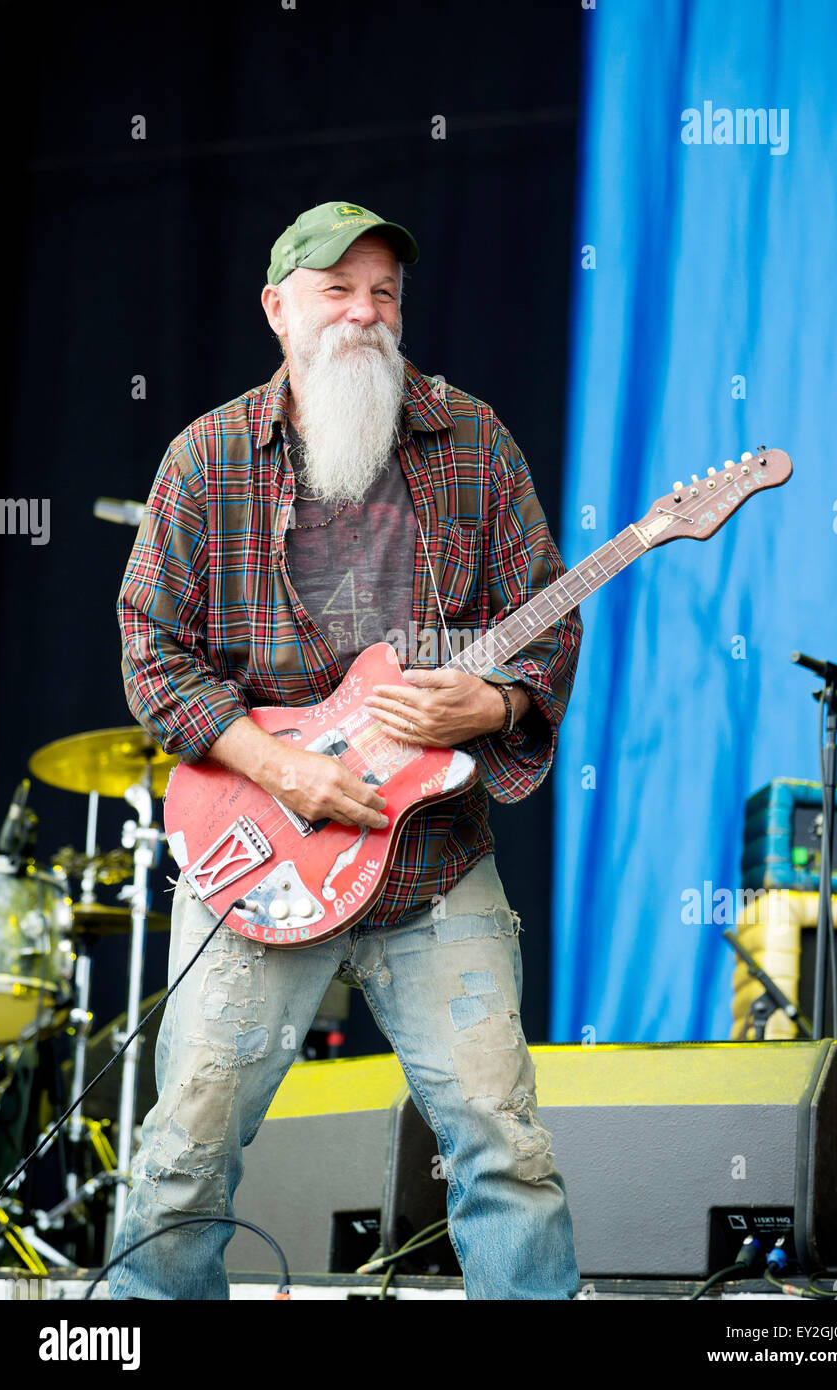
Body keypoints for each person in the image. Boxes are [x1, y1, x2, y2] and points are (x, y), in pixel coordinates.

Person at [108, 200, 583, 1300]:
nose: (364, 313)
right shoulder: (208, 456)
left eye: (384, 294)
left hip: (431, 868)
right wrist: (285, 768)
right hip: (262, 857)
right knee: (186, 1155)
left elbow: (546, 620)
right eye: (337, 290)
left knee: (505, 1150)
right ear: (279, 310)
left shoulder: (475, 440)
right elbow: (151, 647)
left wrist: (497, 703)